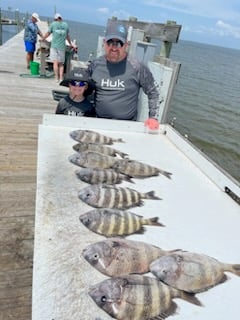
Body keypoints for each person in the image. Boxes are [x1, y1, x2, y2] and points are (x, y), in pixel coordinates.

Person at [88, 20, 160, 130]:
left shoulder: (137, 67)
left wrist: (153, 118)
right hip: (98, 123)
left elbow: (153, 92)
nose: (114, 47)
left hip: (127, 126)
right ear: (104, 42)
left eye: (119, 43)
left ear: (126, 44)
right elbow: (84, 89)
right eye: (110, 42)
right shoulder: (95, 65)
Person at [42, 13, 75, 83]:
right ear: (61, 18)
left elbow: (48, 33)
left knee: (55, 63)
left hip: (54, 46)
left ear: (55, 19)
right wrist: (70, 44)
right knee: (61, 64)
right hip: (62, 47)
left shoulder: (53, 24)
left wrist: (43, 38)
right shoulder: (66, 25)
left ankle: (56, 78)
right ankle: (61, 78)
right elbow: (67, 36)